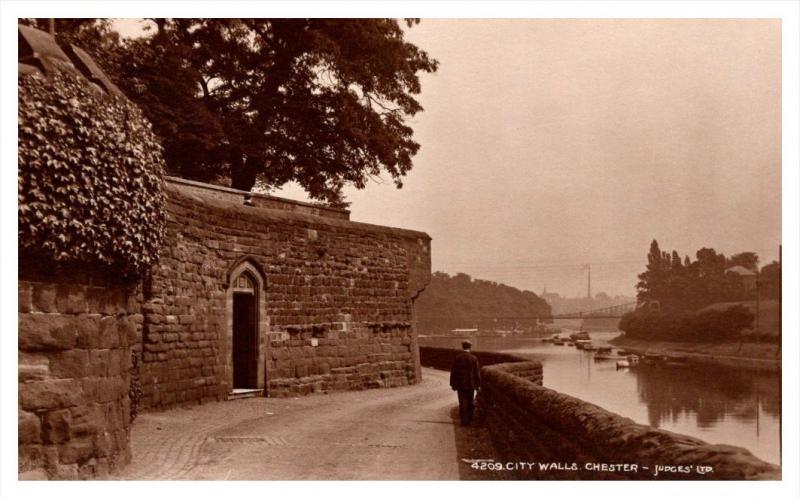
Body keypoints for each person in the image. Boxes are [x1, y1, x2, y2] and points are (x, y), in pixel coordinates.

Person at [449, 340, 481, 425]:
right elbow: (476, 373)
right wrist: (478, 385)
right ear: (470, 347)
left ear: (462, 347)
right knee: (470, 401)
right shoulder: (474, 358)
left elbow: (453, 372)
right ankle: (470, 419)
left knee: (462, 402)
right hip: (471, 384)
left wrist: (452, 384)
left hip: (460, 384)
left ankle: (463, 420)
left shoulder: (457, 358)